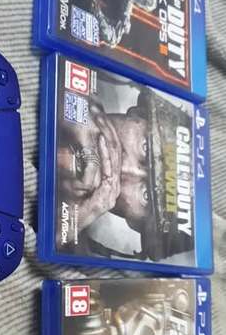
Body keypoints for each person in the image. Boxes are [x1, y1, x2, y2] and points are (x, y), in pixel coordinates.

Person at [57, 85, 194, 261]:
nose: (124, 170)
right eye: (145, 147)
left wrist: (74, 222)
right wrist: (74, 106)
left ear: (134, 223)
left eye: (146, 195)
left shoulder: (74, 250)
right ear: (136, 114)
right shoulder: (83, 85)